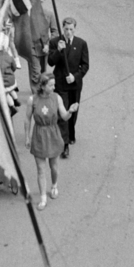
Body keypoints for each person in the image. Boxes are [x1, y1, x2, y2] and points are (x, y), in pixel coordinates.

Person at [24, 72, 75, 210]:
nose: (54, 87)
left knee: (54, 167)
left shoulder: (56, 98)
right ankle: (43, 198)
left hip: (53, 134)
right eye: (51, 85)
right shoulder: (32, 100)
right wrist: (27, 137)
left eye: (54, 85)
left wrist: (70, 111)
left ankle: (54, 185)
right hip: (39, 135)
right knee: (40, 169)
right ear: (43, 86)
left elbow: (64, 116)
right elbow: (27, 119)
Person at [48, 17, 88, 158]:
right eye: (66, 29)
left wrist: (76, 76)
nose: (68, 32)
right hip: (61, 84)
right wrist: (58, 51)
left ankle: (71, 134)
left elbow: (85, 65)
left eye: (71, 29)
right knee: (63, 112)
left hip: (75, 85)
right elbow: (50, 62)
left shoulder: (81, 43)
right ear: (62, 28)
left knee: (73, 111)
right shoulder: (55, 42)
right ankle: (64, 145)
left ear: (75, 29)